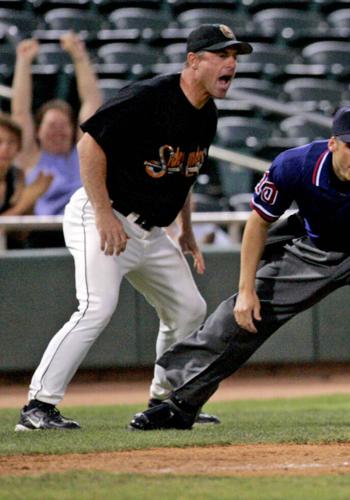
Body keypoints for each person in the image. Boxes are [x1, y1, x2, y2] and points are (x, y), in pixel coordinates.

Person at [128, 105, 350, 432]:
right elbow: (257, 223)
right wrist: (246, 292)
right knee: (241, 313)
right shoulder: (296, 164)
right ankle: (180, 403)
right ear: (333, 144)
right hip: (315, 245)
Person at [16, 25, 253, 431]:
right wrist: (104, 213)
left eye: (234, 55)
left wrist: (188, 231)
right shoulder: (150, 97)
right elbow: (89, 143)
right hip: (102, 215)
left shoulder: (206, 113)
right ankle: (37, 406)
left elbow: (184, 174)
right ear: (193, 61)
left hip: (151, 230)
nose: (231, 62)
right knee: (96, 306)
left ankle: (163, 401)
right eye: (221, 54)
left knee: (188, 309)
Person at [12, 33, 102, 246]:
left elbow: (91, 103)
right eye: (51, 126)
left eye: (64, 126)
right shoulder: (31, 156)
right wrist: (24, 62)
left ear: (73, 131)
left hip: (82, 236)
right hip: (40, 237)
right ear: (38, 131)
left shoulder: (81, 154)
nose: (58, 131)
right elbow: (20, 112)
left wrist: (79, 58)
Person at [0, 116, 51, 217]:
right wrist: (24, 203)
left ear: (18, 147)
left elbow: (22, 231)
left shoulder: (17, 175)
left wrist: (32, 200)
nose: (5, 148)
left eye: (12, 142)